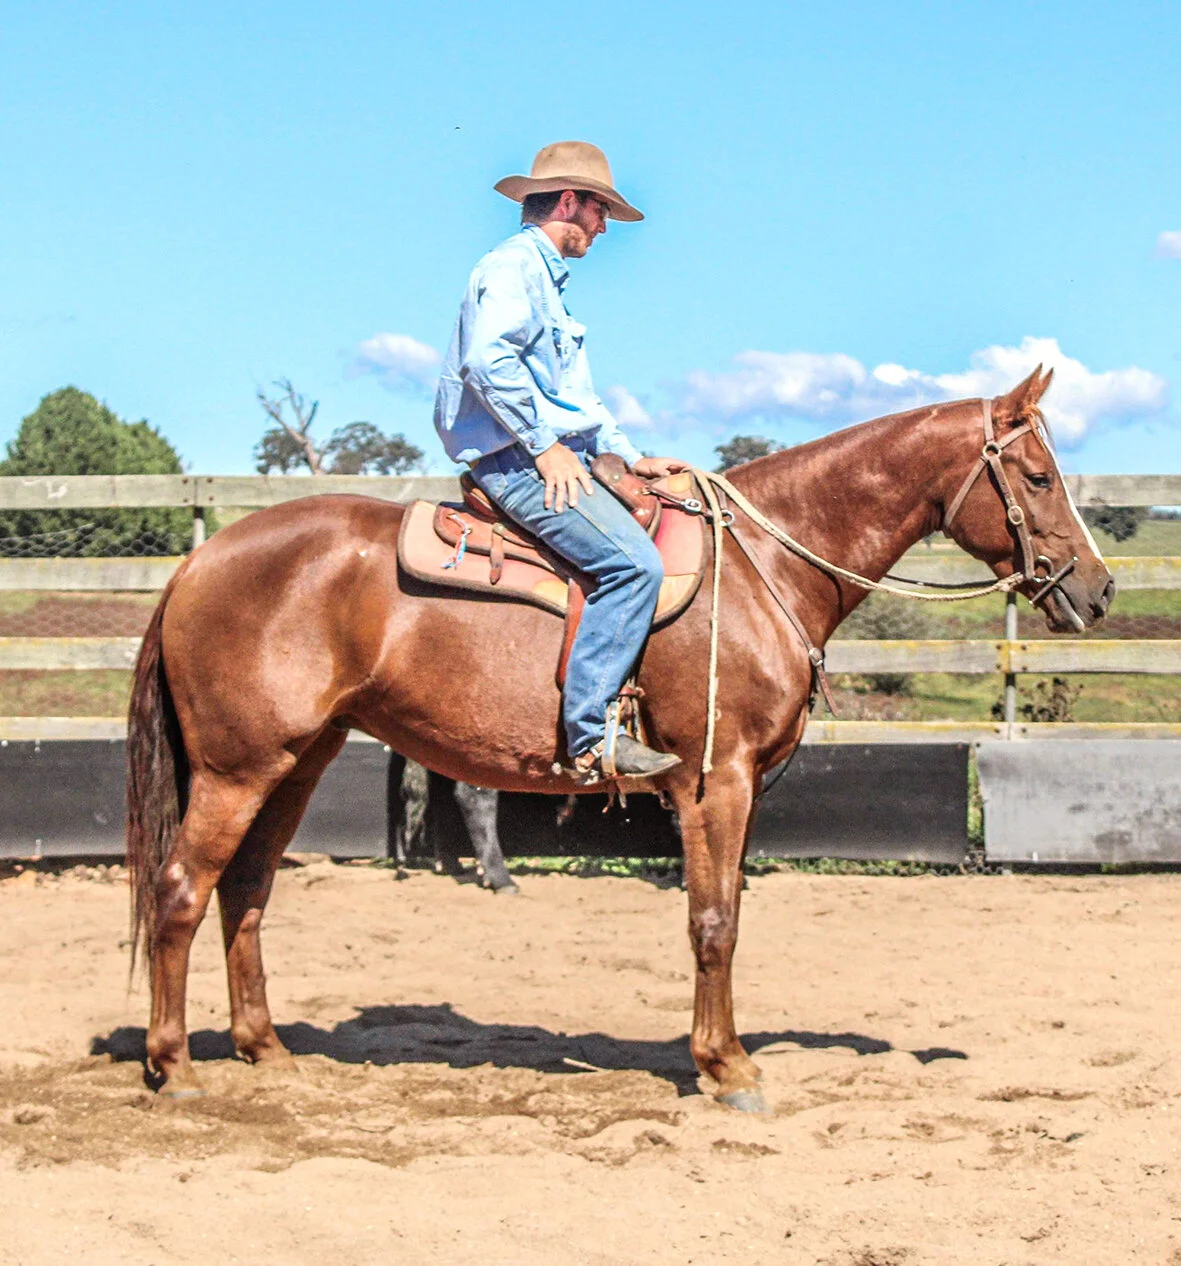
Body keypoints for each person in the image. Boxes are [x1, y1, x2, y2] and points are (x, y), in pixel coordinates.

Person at [434, 141, 688, 780]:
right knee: (634, 566)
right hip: (517, 461)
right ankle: (591, 737)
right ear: (569, 202)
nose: (604, 228)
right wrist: (546, 449)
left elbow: (576, 399)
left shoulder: (545, 280)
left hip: (542, 452)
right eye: (601, 211)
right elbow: (488, 362)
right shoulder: (512, 269)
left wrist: (631, 458)